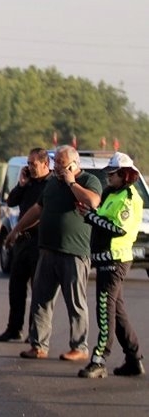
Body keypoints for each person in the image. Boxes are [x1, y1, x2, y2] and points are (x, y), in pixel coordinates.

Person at [7, 145, 101, 361]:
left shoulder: (87, 181)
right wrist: (16, 229)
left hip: (74, 252)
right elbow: (37, 209)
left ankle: (79, 346)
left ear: (74, 164)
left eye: (61, 162)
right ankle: (38, 345)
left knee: (75, 302)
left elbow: (93, 201)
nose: (57, 166)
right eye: (55, 161)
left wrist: (71, 182)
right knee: (41, 299)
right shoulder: (51, 184)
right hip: (48, 251)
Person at [76, 152, 145, 378]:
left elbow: (118, 228)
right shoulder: (112, 193)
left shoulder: (129, 198)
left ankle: (99, 359)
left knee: (105, 309)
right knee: (118, 311)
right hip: (106, 259)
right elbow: (103, 218)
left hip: (115, 261)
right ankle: (133, 359)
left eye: (112, 174)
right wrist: (91, 213)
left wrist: (90, 217)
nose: (108, 177)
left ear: (125, 175)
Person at [0, 148, 51, 342]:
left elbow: (40, 214)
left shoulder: (51, 185)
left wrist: (16, 229)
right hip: (22, 241)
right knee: (16, 286)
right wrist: (21, 184)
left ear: (45, 164)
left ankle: (35, 332)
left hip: (40, 241)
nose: (30, 167)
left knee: (38, 289)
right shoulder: (29, 183)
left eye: (33, 164)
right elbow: (11, 201)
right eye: (29, 163)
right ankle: (14, 328)